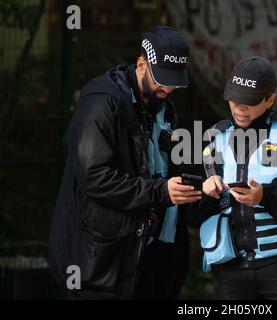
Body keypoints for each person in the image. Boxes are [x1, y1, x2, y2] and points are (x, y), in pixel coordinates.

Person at [48, 26, 202, 300]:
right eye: (162, 79)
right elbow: (95, 177)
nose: (168, 88)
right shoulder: (100, 104)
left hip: (149, 257)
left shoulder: (163, 106)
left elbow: (162, 166)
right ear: (141, 64)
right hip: (102, 265)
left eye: (174, 82)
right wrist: (161, 192)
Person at [188, 56, 277, 300]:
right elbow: (194, 214)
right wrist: (205, 192)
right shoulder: (214, 137)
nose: (239, 108)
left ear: (270, 99)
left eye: (249, 101)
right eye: (234, 99)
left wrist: (265, 195)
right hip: (234, 269)